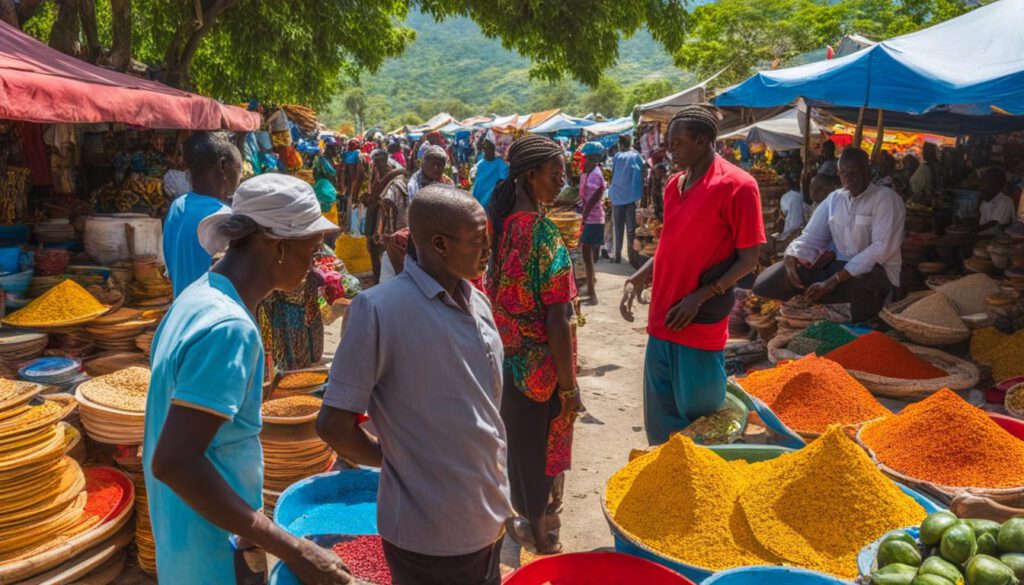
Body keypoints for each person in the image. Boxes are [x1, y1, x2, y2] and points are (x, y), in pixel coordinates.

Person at [144, 174, 348, 585]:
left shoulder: (199, 294)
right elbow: (175, 461)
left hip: (187, 534)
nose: (314, 265)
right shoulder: (227, 328)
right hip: (211, 550)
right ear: (278, 246)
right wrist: (296, 549)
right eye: (311, 251)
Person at [318, 185, 510, 585]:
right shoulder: (378, 310)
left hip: (488, 513)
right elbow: (334, 424)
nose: (488, 250)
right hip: (430, 536)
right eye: (478, 241)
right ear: (439, 244)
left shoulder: (477, 301)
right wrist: (394, 459)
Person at [619, 105, 764, 446]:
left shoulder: (739, 186)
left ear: (702, 141)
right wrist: (638, 277)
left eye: (677, 143)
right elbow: (670, 242)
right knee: (661, 427)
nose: (670, 150)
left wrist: (701, 296)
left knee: (702, 424)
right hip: (661, 321)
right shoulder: (673, 186)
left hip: (697, 323)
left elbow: (749, 260)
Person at [487, 135, 579, 555]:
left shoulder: (500, 226)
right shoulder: (542, 233)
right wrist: (570, 386)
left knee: (516, 444)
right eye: (555, 174)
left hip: (505, 358)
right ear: (531, 176)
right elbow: (557, 318)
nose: (562, 181)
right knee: (541, 449)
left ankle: (513, 517)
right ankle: (540, 534)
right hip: (541, 365)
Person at [752, 147, 906, 322]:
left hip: (876, 272)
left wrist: (834, 280)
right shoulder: (835, 199)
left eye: (855, 172)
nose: (850, 178)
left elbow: (880, 248)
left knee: (860, 288)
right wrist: (791, 258)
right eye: (844, 173)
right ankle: (806, 313)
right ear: (839, 174)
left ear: (868, 171)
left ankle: (857, 325)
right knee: (768, 282)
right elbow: (810, 237)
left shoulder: (886, 198)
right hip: (840, 269)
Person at [163, 132, 242, 298]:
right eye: (239, 168)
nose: (240, 176)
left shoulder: (177, 206)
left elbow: (171, 271)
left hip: (182, 312)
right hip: (211, 316)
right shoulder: (225, 218)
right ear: (223, 166)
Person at [366, 149, 409, 282]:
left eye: (379, 161)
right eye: (376, 162)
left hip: (388, 225)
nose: (377, 164)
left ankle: (382, 283)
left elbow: (386, 204)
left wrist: (379, 231)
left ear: (385, 160)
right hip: (381, 220)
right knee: (375, 253)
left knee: (384, 255)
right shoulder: (380, 173)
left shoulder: (394, 179)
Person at [608, 134, 644, 265]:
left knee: (617, 229)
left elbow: (613, 174)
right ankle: (631, 257)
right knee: (631, 230)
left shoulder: (616, 157)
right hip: (631, 196)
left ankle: (617, 256)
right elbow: (643, 170)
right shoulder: (636, 156)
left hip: (617, 196)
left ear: (620, 144)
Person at [579, 142, 607, 304]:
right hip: (588, 218)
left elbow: (594, 198)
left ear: (594, 159)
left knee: (587, 257)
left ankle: (592, 295)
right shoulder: (586, 173)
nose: (585, 162)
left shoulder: (596, 174)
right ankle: (590, 287)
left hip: (594, 220)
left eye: (587, 159)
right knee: (586, 256)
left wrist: (583, 216)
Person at [975, 167, 1015, 236]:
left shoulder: (1005, 201)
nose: (980, 191)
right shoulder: (985, 202)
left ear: (996, 188)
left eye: (985, 189)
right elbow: (980, 221)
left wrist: (971, 231)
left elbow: (994, 225)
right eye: (980, 187)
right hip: (983, 239)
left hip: (997, 242)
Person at [471, 138, 509, 209]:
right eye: (484, 151)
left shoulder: (500, 164)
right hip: (478, 193)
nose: (485, 153)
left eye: (488, 150)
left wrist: (493, 191)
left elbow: (503, 179)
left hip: (492, 198)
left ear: (492, 151)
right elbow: (476, 179)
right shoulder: (480, 163)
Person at [778, 175, 805, 241]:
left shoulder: (784, 197)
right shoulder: (800, 195)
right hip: (802, 227)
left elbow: (784, 213)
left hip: (790, 229)